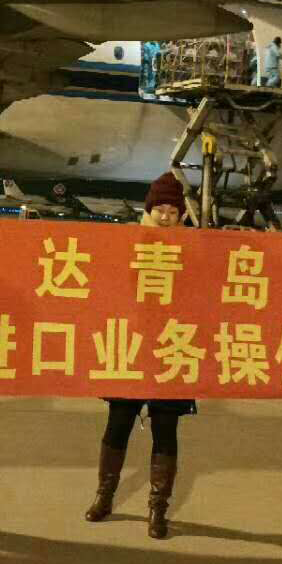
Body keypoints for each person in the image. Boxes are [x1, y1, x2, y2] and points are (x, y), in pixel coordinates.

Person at [83, 171, 196, 539]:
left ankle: (158, 508)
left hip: (171, 347)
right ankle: (104, 496)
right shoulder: (127, 243)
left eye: (172, 212)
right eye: (159, 210)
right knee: (118, 423)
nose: (165, 217)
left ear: (181, 215)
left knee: (165, 429)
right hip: (131, 345)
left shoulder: (192, 250)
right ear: (148, 210)